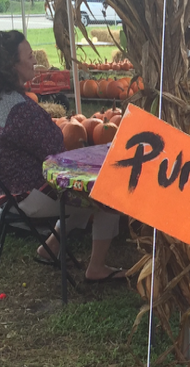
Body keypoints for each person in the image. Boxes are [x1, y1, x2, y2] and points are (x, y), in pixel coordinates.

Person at [0, 30, 125, 283]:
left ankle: (50, 248)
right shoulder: (18, 109)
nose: (34, 59)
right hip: (31, 193)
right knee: (108, 192)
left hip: (10, 192)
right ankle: (96, 267)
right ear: (12, 65)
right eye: (29, 56)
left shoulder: (6, 102)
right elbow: (54, 145)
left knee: (79, 191)